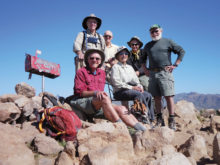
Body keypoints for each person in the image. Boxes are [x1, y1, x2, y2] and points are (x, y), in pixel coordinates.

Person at [70, 49, 147, 131]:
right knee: (104, 97)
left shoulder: (102, 73)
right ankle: (121, 126)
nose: (94, 60)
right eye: (91, 58)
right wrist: (95, 93)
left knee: (122, 109)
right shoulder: (81, 72)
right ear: (87, 60)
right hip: (82, 102)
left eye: (97, 59)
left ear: (100, 61)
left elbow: (114, 80)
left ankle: (142, 130)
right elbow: (80, 92)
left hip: (99, 102)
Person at [141, 24, 185, 130]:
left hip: (165, 72)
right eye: (152, 32)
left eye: (156, 31)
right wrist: (145, 69)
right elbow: (142, 59)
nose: (154, 33)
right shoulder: (147, 45)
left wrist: (175, 64)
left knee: (168, 96)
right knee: (156, 97)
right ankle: (159, 120)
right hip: (152, 74)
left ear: (161, 31)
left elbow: (181, 51)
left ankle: (171, 120)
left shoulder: (167, 41)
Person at [110, 46, 155, 122]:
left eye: (126, 53)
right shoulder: (115, 67)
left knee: (148, 95)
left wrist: (140, 87)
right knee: (138, 95)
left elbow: (136, 81)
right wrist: (132, 88)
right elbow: (116, 83)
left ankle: (151, 118)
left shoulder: (130, 67)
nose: (124, 55)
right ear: (118, 56)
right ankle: (142, 117)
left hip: (130, 90)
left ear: (127, 55)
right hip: (119, 92)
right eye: (121, 53)